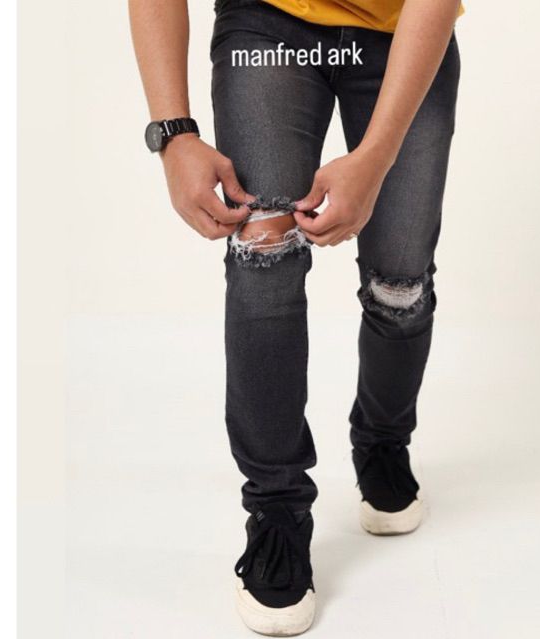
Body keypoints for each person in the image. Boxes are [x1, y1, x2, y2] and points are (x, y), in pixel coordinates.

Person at [129, 0, 462, 634]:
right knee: (264, 258)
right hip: (267, 26)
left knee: (399, 283)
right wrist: (173, 134)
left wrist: (377, 157)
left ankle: (382, 439)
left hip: (401, 32)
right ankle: (276, 508)